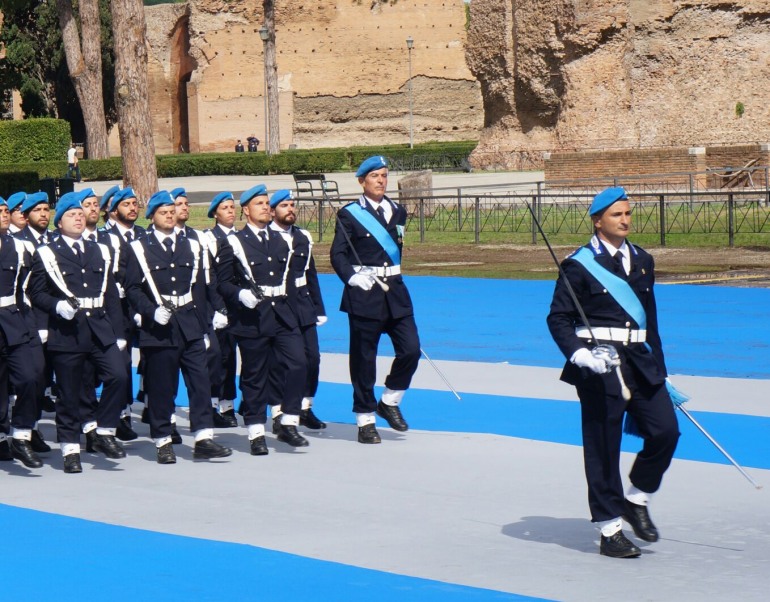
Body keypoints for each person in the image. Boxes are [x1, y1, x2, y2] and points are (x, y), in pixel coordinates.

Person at [546, 186, 680, 558]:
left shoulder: (642, 260)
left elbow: (650, 321)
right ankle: (609, 529)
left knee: (666, 431)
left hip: (640, 360)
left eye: (628, 213)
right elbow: (558, 318)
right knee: (603, 446)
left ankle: (636, 498)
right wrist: (580, 355)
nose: (625, 220)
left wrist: (663, 372)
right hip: (600, 364)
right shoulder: (578, 264)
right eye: (617, 214)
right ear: (597, 220)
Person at [124, 191, 232, 464]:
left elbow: (200, 288)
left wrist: (206, 326)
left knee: (200, 382)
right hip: (159, 328)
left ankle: (203, 437)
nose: (170, 216)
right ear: (152, 217)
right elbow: (132, 288)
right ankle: (162, 440)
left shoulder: (193, 245)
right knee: (162, 387)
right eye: (163, 212)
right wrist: (150, 312)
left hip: (190, 323)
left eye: (172, 211)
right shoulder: (139, 247)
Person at [28, 194, 129, 473]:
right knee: (69, 393)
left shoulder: (101, 250)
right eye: (71, 215)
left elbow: (110, 294)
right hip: (68, 331)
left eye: (80, 214)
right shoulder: (48, 253)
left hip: (99, 326)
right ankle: (70, 449)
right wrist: (56, 306)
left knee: (119, 376)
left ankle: (105, 430)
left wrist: (118, 332)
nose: (78, 218)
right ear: (59, 223)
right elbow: (36, 293)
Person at [330, 156, 421, 444]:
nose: (381, 180)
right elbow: (338, 255)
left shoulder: (399, 211)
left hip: (395, 292)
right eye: (375, 176)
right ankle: (365, 418)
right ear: (362, 181)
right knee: (364, 359)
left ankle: (390, 401)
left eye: (384, 175)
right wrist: (352, 277)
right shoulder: (349, 214)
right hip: (364, 294)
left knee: (411, 349)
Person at [215, 184, 309, 455]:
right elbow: (222, 282)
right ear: (246, 210)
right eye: (260, 203)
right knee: (255, 376)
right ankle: (256, 431)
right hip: (252, 318)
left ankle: (288, 421)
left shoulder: (283, 241)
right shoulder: (233, 243)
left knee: (298, 363)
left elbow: (291, 280)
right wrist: (240, 294)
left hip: (282, 313)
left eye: (267, 203)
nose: (266, 207)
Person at [267, 189, 327, 432]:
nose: (290, 209)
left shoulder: (303, 237)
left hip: (302, 304)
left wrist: (319, 307)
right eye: (284, 205)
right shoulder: (265, 238)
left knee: (312, 358)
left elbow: (310, 274)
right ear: (272, 211)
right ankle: (278, 410)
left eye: (292, 204)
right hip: (278, 305)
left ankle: (305, 407)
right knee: (280, 361)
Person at [0, 206, 46, 468]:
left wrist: (31, 326)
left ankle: (21, 435)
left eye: (6, 211)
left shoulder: (19, 247)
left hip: (13, 320)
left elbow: (25, 291)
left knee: (30, 377)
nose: (5, 215)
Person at [203, 192, 239, 425]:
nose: (230, 211)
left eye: (232, 207)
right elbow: (210, 277)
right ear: (215, 213)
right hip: (221, 306)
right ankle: (215, 404)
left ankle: (230, 404)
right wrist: (218, 308)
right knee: (221, 357)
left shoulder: (241, 236)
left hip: (241, 304)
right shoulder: (209, 238)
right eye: (225, 208)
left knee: (235, 357)